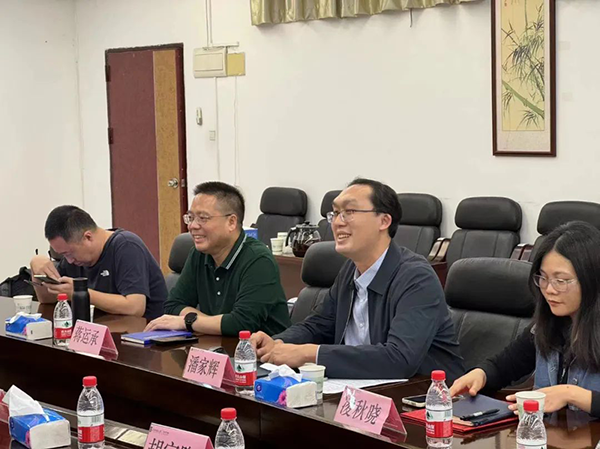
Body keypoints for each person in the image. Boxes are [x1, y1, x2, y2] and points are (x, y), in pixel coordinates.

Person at [250, 178, 464, 380]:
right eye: (335, 213)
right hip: (360, 391)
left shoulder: (416, 278)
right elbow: (318, 326)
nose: (337, 222)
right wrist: (277, 343)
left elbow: (400, 358)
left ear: (384, 221)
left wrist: (309, 354)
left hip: (424, 396)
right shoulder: (350, 270)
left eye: (349, 212)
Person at [449, 221, 600, 417]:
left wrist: (572, 395)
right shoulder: (547, 324)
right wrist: (481, 374)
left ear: (591, 279)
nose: (549, 289)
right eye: (543, 278)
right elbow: (505, 365)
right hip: (549, 432)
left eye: (561, 281)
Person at [145, 181, 291, 337]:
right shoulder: (199, 254)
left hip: (260, 350)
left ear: (231, 222)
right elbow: (172, 305)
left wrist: (188, 322)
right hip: (215, 345)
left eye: (203, 218)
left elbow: (242, 324)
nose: (192, 226)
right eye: (191, 217)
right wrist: (210, 324)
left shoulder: (258, 260)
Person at [30, 206, 167, 319]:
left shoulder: (126, 246)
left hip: (142, 334)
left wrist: (80, 292)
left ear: (88, 237)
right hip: (101, 330)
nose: (69, 260)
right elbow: (47, 300)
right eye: (64, 255)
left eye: (69, 253)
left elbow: (135, 307)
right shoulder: (74, 260)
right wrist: (35, 267)